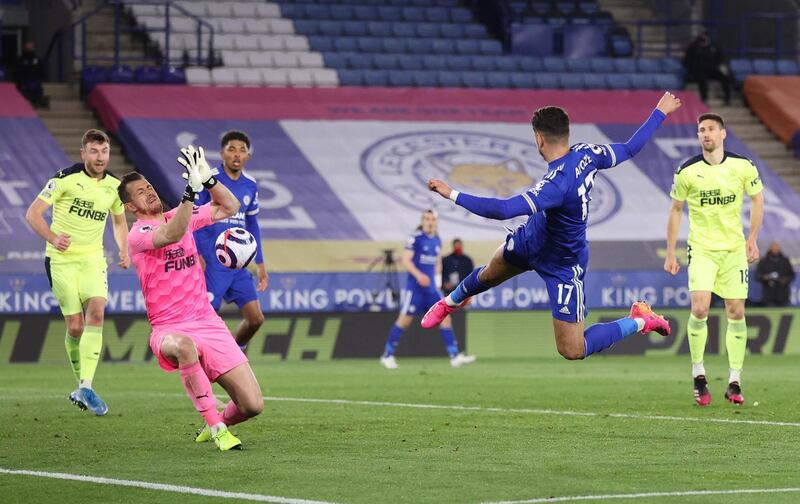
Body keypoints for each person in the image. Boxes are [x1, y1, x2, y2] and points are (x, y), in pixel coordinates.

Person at [422, 92, 683, 363]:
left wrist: (452, 193)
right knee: (489, 274)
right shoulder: (588, 153)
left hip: (563, 263)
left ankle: (639, 320)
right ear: (566, 134)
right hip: (533, 240)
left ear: (539, 139)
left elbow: (502, 210)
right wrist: (659, 112)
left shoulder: (556, 185)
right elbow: (629, 148)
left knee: (572, 349)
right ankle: (448, 303)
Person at [120, 146, 264, 451]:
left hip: (208, 323)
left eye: (148, 187)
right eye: (140, 193)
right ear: (131, 206)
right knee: (184, 347)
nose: (148, 193)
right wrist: (190, 192)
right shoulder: (138, 234)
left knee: (252, 405)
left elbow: (229, 206)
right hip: (169, 329)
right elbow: (171, 234)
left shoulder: (179, 216)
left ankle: (218, 421)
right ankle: (216, 428)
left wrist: (209, 180)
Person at [25, 129, 129, 416]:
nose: (100, 157)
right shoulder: (64, 179)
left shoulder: (113, 186)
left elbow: (119, 222)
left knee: (97, 311)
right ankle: (80, 383)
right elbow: (33, 214)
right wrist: (53, 238)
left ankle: (86, 386)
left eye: (104, 151)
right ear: (83, 153)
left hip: (94, 260)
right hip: (61, 261)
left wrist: (124, 248)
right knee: (75, 327)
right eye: (94, 151)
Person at [664, 112, 764, 406]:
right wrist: (671, 250)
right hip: (702, 249)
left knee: (735, 312)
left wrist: (752, 238)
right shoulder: (687, 171)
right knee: (700, 307)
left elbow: (758, 198)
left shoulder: (743, 166)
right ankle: (698, 375)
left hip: (733, 249)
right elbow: (676, 210)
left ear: (723, 134)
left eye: (710, 129)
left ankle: (735, 380)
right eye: (700, 130)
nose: (705, 134)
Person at [193, 131, 268, 350]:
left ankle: (236, 352)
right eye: (231, 149)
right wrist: (197, 253)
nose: (237, 154)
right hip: (212, 259)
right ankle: (200, 361)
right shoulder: (210, 179)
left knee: (255, 319)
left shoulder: (250, 185)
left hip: (238, 263)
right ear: (222, 153)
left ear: (248, 156)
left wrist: (261, 264)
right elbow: (194, 217)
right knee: (208, 316)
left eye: (242, 150)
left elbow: (252, 224)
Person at [380, 210, 476, 369]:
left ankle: (454, 356)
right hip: (415, 289)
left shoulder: (437, 240)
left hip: (431, 289)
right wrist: (419, 275)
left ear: (436, 222)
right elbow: (406, 260)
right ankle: (387, 356)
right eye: (427, 219)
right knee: (404, 321)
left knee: (445, 317)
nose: (430, 222)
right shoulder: (415, 238)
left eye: (432, 219)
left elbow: (437, 263)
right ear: (423, 221)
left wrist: (437, 280)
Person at [683, 32, 731, 105]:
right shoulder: (694, 46)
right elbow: (687, 60)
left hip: (712, 69)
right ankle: (704, 99)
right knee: (701, 79)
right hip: (698, 70)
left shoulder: (714, 45)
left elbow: (721, 57)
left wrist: (716, 65)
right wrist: (693, 68)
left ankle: (727, 99)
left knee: (725, 78)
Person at [756, 241, 794, 307]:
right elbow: (757, 275)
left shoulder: (785, 261)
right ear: (770, 248)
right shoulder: (764, 261)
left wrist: (785, 280)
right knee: (770, 311)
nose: (776, 250)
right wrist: (765, 277)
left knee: (785, 314)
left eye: (777, 248)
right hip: (769, 295)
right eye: (774, 248)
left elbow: (792, 274)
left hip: (783, 294)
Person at [14, 41, 49, 108]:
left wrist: (40, 79)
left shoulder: (37, 60)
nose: (30, 48)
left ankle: (38, 102)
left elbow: (42, 71)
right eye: (28, 47)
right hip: (24, 82)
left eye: (31, 47)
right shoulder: (20, 60)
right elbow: (17, 72)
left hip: (35, 81)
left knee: (36, 87)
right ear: (24, 48)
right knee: (26, 88)